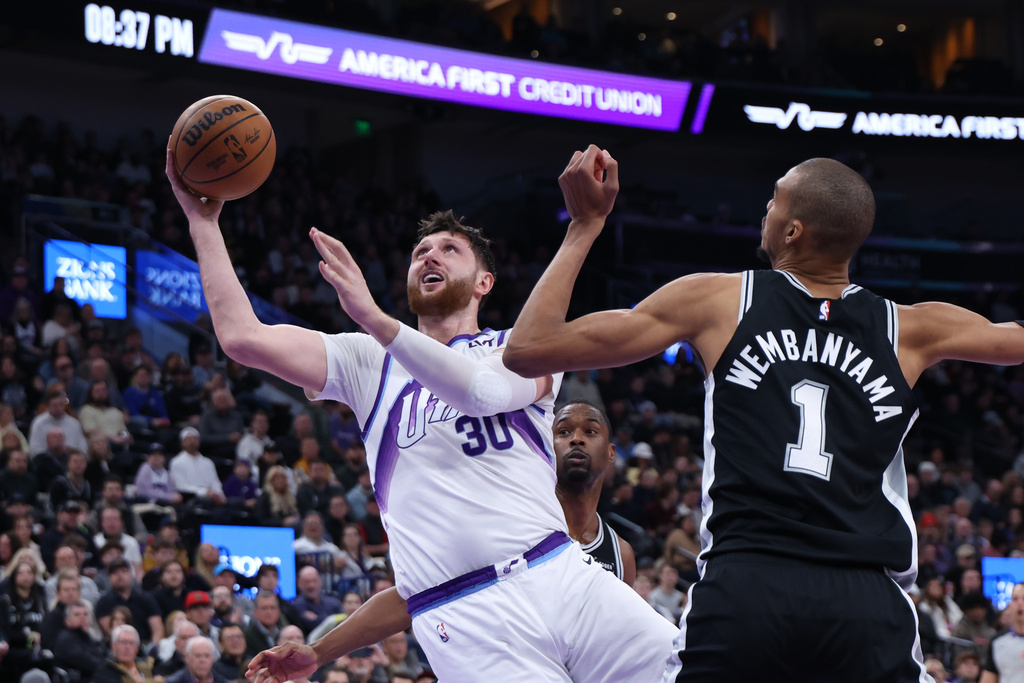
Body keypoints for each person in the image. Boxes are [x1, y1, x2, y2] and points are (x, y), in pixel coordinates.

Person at [504, 146, 1024, 681]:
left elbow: (528, 349)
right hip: (866, 604)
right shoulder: (912, 328)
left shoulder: (720, 300)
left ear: (793, 231)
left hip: (746, 586)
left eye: (774, 200)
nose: (766, 210)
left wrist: (584, 225)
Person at [166, 148, 674, 683]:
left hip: (561, 572)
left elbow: (478, 391)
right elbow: (242, 338)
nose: (430, 257)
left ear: (484, 282)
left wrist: (374, 318)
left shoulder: (519, 346)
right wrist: (203, 222)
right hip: (465, 614)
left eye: (449, 249)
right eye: (420, 252)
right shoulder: (368, 361)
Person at [552, 400, 636, 584]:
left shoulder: (621, 555)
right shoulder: (522, 526)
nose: (576, 439)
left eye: (590, 431)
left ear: (611, 453)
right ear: (547, 447)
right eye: (564, 431)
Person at [982, 583, 1024, 683]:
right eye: (1015, 599)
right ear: (1009, 605)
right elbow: (988, 678)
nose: (1020, 603)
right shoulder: (998, 641)